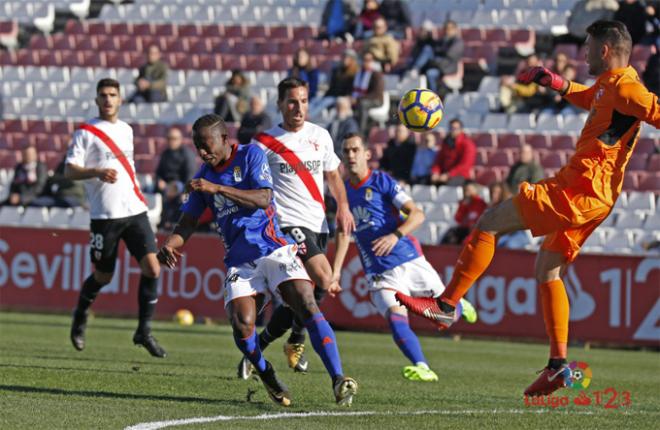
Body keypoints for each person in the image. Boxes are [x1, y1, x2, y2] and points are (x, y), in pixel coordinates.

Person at [395, 20, 660, 397]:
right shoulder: (612, 84)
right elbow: (591, 99)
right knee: (547, 271)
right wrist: (556, 82)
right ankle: (557, 366)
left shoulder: (630, 87)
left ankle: (447, 303)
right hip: (592, 196)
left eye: (586, 46)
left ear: (604, 50)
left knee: (489, 223)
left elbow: (654, 111)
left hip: (579, 190)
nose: (581, 53)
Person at [158, 114, 357, 406]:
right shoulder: (204, 177)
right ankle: (267, 374)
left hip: (274, 248)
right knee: (242, 325)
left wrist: (218, 189)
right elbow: (187, 223)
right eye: (197, 146)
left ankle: (338, 378)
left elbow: (264, 197)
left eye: (206, 144)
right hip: (240, 262)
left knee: (306, 302)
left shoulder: (251, 154)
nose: (202, 152)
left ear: (225, 139)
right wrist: (170, 244)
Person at [334, 134, 477, 381]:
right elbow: (344, 232)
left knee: (445, 318)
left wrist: (394, 236)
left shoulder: (382, 182)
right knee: (395, 317)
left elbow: (417, 215)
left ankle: (460, 305)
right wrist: (335, 271)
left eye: (355, 150)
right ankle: (422, 365)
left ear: (367, 154)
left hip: (408, 260)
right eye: (346, 151)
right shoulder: (342, 195)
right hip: (378, 271)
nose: (351, 155)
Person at [240, 77, 356, 376]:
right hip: (286, 224)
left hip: (317, 222)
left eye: (303, 101)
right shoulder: (263, 143)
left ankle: (268, 345)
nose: (298, 107)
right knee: (324, 276)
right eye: (292, 101)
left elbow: (333, 177)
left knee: (304, 298)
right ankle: (304, 347)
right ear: (280, 104)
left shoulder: (321, 135)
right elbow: (251, 186)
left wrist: (342, 206)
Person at [66, 78, 165, 357]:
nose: (108, 99)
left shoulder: (126, 130)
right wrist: (96, 172)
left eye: (113, 95)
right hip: (105, 216)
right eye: (103, 95)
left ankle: (144, 331)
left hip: (135, 211)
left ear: (120, 99)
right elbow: (70, 170)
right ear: (97, 100)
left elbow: (128, 167)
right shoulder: (85, 132)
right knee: (103, 275)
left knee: (153, 268)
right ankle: (80, 315)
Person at [416, 20, 464, 93]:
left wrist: (437, 57)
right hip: (439, 66)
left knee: (430, 73)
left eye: (449, 28)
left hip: (448, 68)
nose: (447, 31)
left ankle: (434, 96)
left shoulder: (458, 42)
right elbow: (435, 49)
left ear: (455, 29)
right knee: (427, 49)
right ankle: (415, 69)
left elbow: (449, 55)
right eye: (445, 28)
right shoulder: (444, 40)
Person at [430, 119, 476, 186]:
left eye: (455, 128)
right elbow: (438, 161)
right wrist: (435, 172)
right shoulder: (446, 143)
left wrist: (448, 175)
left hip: (461, 176)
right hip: (444, 174)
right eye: (450, 128)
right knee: (427, 182)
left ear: (461, 129)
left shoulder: (468, 144)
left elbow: (465, 165)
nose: (452, 130)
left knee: (448, 186)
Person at [440, 181, 488, 245]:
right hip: (465, 228)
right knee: (451, 235)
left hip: (475, 229)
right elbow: (458, 219)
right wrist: (463, 206)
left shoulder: (480, 203)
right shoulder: (463, 203)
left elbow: (479, 217)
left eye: (469, 190)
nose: (468, 192)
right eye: (466, 190)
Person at [155, 127, 197, 195]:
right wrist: (159, 181)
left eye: (174, 139)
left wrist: (185, 192)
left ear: (180, 139)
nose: (171, 141)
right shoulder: (165, 154)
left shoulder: (187, 154)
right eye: (169, 138)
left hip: (180, 186)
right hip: (166, 186)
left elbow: (190, 176)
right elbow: (158, 173)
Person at [352, 51, 386, 134]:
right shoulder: (359, 73)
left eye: (368, 60)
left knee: (362, 104)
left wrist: (358, 99)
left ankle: (361, 131)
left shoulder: (376, 74)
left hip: (376, 100)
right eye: (364, 59)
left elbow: (376, 93)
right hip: (361, 99)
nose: (365, 62)